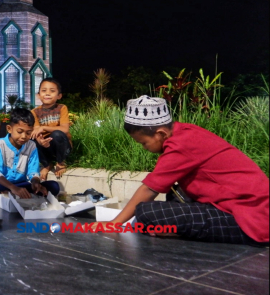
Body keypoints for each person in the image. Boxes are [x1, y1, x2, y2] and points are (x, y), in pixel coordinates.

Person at [102, 95, 269, 245]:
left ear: (160, 133)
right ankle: (176, 228)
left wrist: (114, 224)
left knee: (147, 212)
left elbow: (149, 189)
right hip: (237, 207)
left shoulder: (181, 145)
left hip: (252, 220)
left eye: (143, 143)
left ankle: (178, 230)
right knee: (174, 195)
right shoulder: (185, 132)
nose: (144, 147)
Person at [0, 108, 59, 206]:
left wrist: (35, 183)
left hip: (20, 185)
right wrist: (13, 188)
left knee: (54, 186)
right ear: (9, 129)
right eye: (20, 132)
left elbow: (33, 172)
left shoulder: (31, 146)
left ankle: (10, 198)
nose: (24, 136)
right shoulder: (0, 144)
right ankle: (15, 198)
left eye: (28, 133)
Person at [30, 78, 72, 179]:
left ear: (59, 96)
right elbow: (36, 130)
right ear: (38, 95)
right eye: (44, 91)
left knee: (57, 134)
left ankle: (61, 162)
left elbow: (65, 129)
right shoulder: (34, 112)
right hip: (45, 146)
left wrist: (43, 127)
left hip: (62, 145)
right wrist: (40, 141)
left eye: (52, 91)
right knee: (31, 140)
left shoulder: (62, 108)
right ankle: (46, 164)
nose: (47, 94)